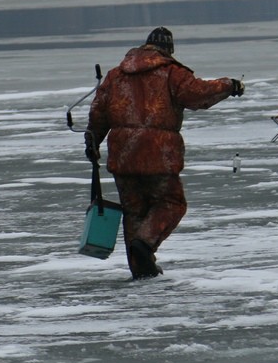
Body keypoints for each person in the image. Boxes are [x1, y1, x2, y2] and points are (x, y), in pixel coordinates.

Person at [85, 27, 244, 280]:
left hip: (123, 156)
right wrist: (230, 85)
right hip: (158, 154)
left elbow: (98, 112)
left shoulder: (116, 76)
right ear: (168, 49)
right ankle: (145, 244)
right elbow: (197, 94)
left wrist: (92, 142)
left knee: (134, 211)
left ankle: (141, 270)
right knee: (172, 204)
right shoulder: (172, 73)